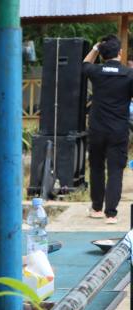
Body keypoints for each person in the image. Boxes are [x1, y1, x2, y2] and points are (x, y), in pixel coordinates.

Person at [83, 35, 133, 224]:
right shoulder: (129, 74)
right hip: (118, 130)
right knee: (115, 171)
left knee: (96, 167)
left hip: (96, 128)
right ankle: (110, 214)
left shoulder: (96, 71)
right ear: (120, 53)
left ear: (103, 54)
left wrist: (96, 47)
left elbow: (85, 63)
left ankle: (96, 209)